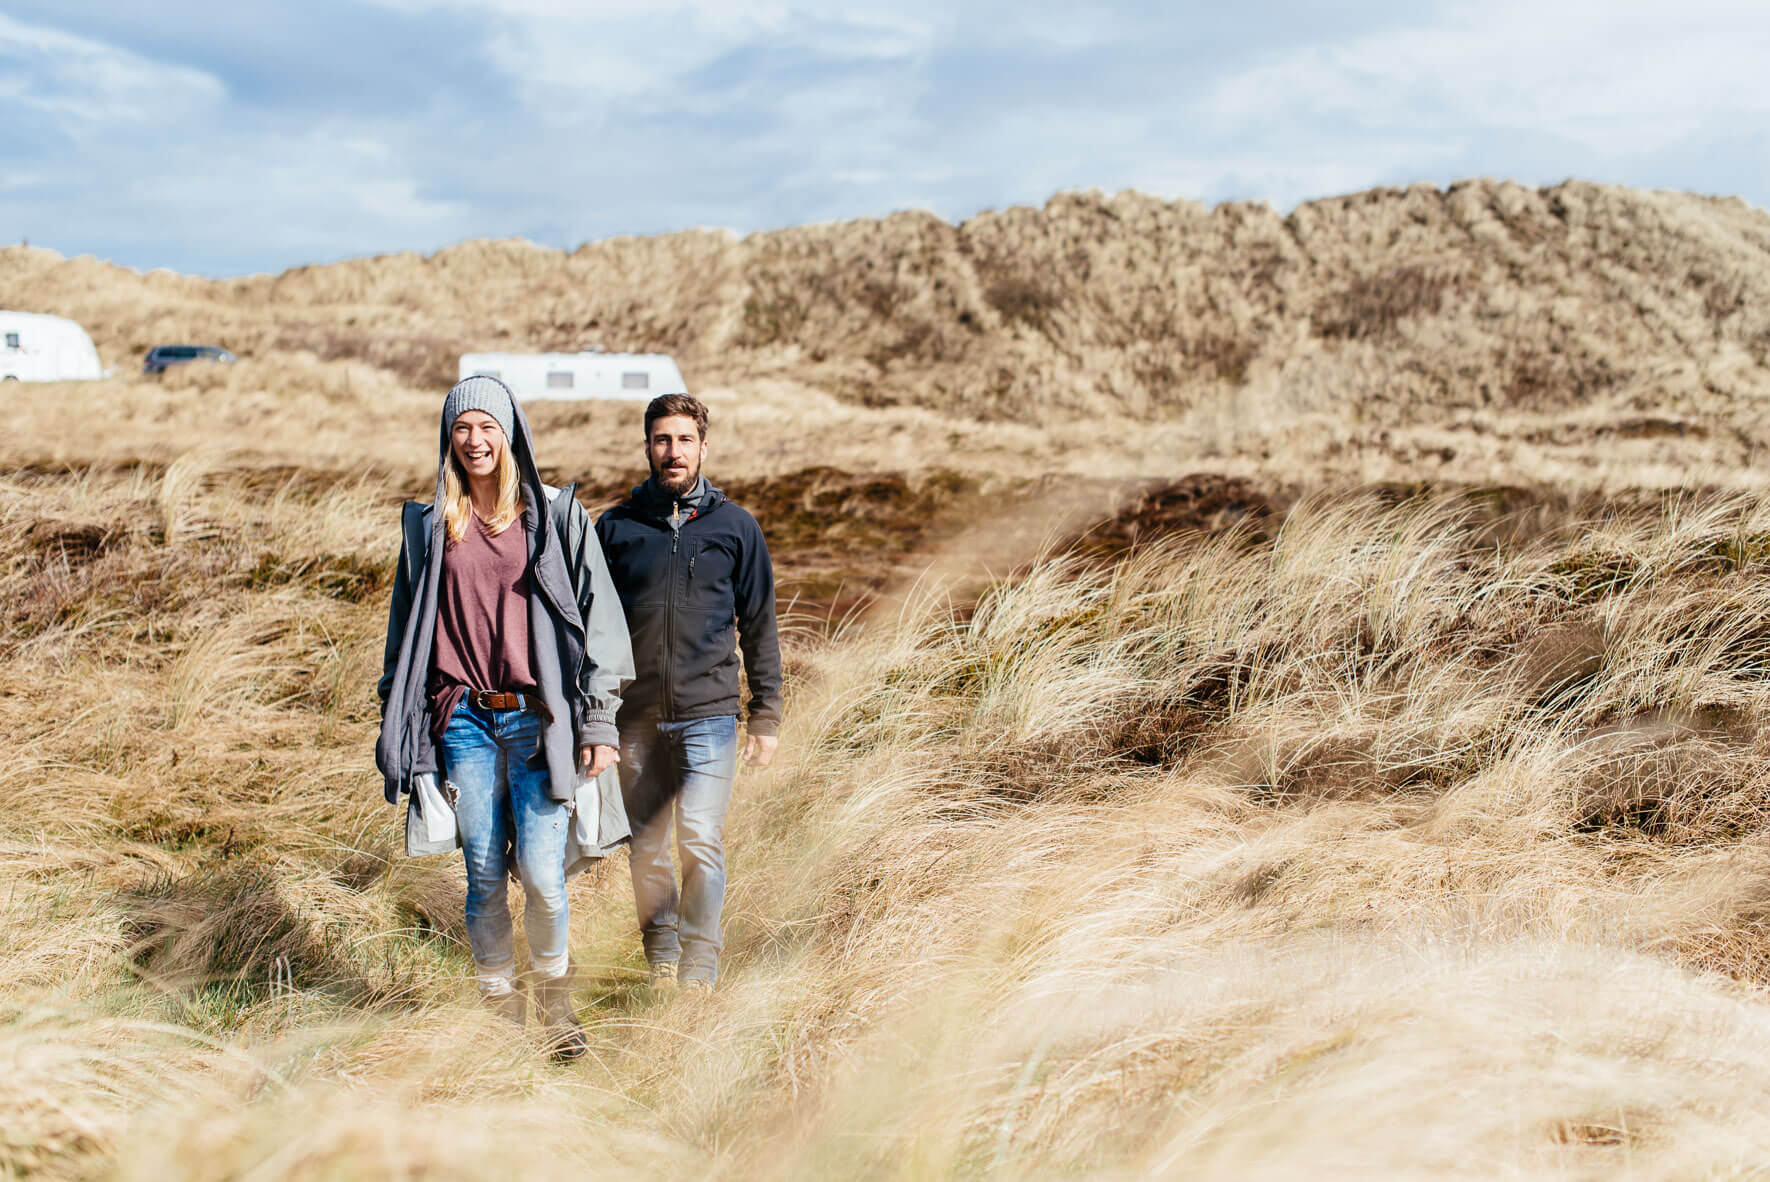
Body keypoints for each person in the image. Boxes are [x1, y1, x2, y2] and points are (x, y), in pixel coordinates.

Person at [376, 375, 634, 1058]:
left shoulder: (551, 517)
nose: (474, 439)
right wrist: (399, 724)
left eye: (487, 425)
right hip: (461, 720)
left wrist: (600, 723)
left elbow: (600, 623)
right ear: (448, 438)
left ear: (510, 431)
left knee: (546, 879)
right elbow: (404, 637)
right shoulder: (431, 526)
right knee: (484, 876)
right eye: (462, 428)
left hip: (539, 720)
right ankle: (499, 1011)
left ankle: (554, 998)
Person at [595, 393, 782, 995]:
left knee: (700, 838)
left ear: (703, 446)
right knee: (647, 849)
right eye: (661, 440)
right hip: (635, 722)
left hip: (709, 716)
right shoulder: (616, 529)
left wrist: (766, 715)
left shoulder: (736, 528)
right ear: (648, 446)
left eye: (683, 440)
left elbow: (759, 625)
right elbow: (591, 628)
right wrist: (593, 718)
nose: (671, 452)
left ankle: (700, 964)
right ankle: (662, 958)